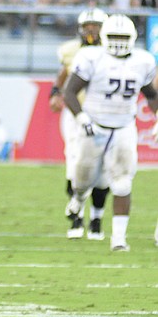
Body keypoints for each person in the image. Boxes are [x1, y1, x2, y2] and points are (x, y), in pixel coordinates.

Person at [63, 14, 158, 252]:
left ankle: (118, 239)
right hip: (94, 126)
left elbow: (151, 94)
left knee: (123, 183)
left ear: (132, 38)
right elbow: (70, 92)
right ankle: (78, 199)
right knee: (82, 180)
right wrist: (82, 117)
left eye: (123, 37)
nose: (118, 42)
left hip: (124, 128)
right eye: (114, 36)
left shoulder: (143, 61)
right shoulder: (91, 57)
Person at [49, 8, 111, 240]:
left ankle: (96, 219)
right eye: (88, 26)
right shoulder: (70, 50)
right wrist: (55, 93)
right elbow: (64, 73)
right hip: (76, 113)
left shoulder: (112, 52)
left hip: (103, 115)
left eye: (96, 26)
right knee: (74, 164)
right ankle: (77, 217)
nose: (91, 30)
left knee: (103, 168)